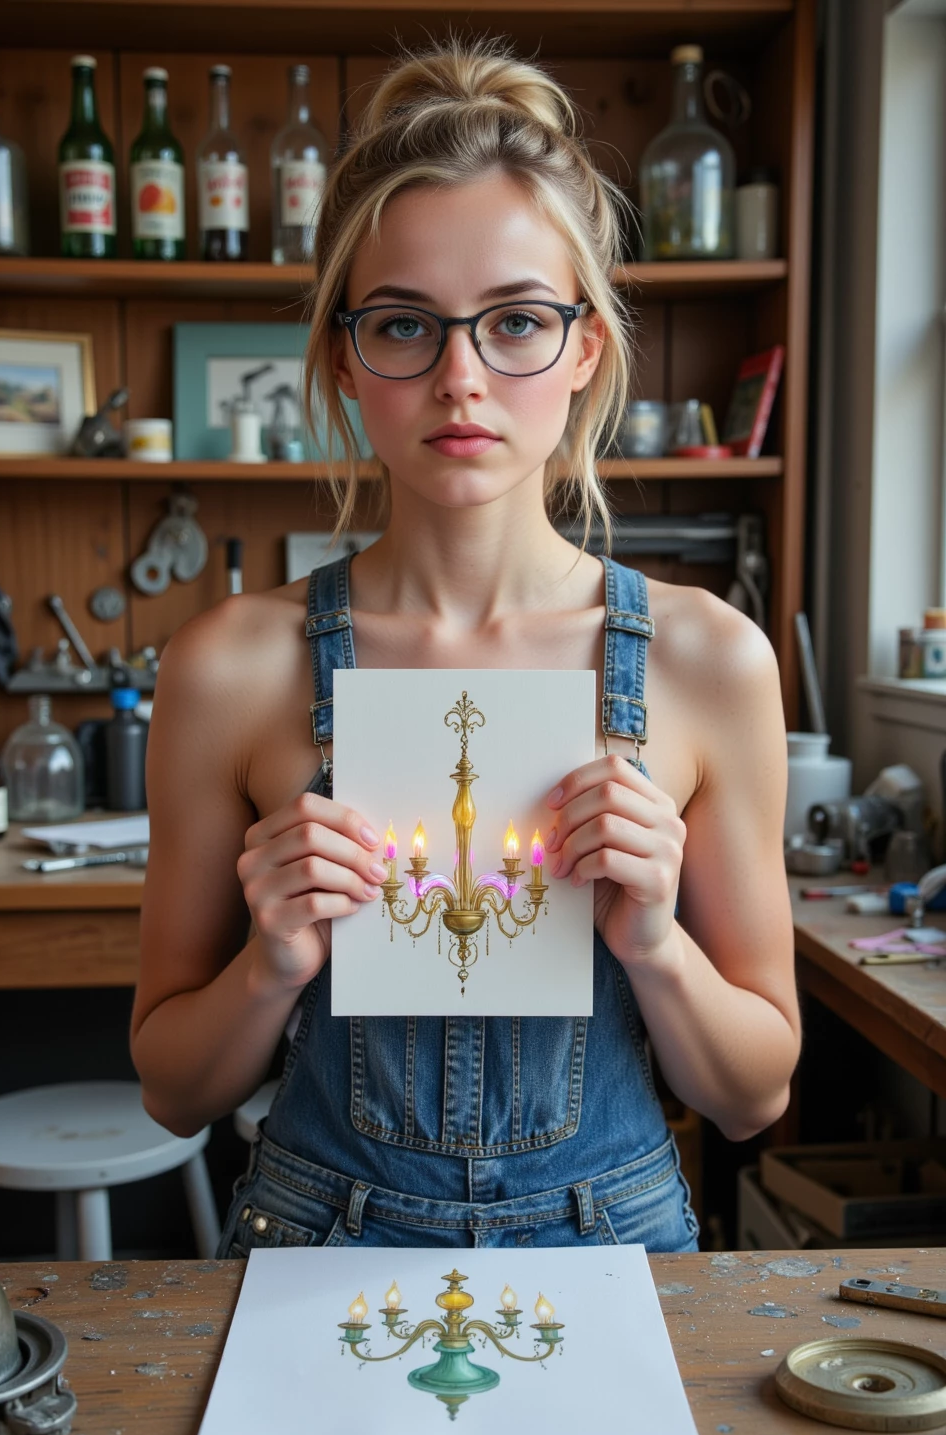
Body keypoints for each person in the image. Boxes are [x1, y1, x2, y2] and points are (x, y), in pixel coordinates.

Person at [130, 36, 801, 1255]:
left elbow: (753, 1095)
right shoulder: (229, 665)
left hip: (615, 1236)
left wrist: (652, 939)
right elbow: (175, 1089)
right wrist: (271, 961)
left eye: (515, 323)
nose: (459, 378)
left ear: (585, 344)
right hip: (317, 1238)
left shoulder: (711, 660)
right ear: (342, 355)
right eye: (403, 325)